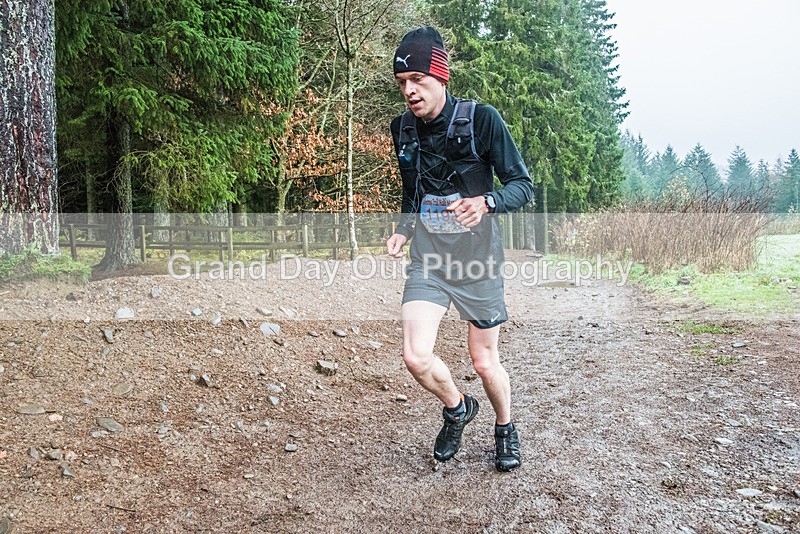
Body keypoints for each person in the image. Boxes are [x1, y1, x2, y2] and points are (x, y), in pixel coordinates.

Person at [385, 26, 533, 472]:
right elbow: (413, 192)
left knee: (484, 361)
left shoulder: (482, 120)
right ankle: (456, 407)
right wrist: (403, 230)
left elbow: (522, 187)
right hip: (429, 260)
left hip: (478, 262)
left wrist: (487, 202)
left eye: (417, 81)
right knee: (415, 355)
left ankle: (505, 427)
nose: (409, 91)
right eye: (402, 84)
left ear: (440, 78)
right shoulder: (402, 130)